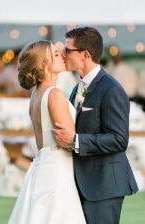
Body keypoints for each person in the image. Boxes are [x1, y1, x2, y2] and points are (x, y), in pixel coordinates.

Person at [53, 27, 138, 224]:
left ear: (85, 55)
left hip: (104, 185)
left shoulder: (112, 89)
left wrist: (76, 141)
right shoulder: (77, 88)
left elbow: (119, 140)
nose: (64, 54)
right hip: (82, 182)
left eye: (68, 50)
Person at [8, 40, 86, 224]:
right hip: (58, 169)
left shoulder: (36, 94)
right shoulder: (54, 94)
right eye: (56, 54)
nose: (61, 55)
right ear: (44, 64)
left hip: (44, 164)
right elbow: (68, 141)